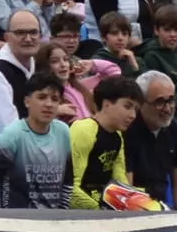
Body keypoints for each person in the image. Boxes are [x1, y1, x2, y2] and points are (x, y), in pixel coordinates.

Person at [64, 74, 158, 209]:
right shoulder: (84, 129)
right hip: (80, 214)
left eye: (136, 110)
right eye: (127, 106)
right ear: (107, 105)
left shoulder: (118, 136)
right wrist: (102, 211)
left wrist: (145, 199)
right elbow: (71, 190)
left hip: (103, 206)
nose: (132, 115)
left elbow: (120, 184)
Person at [0, 75, 74, 209]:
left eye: (55, 99)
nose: (48, 104)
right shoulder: (12, 135)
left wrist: (61, 215)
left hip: (53, 221)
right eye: (42, 97)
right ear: (27, 102)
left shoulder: (63, 131)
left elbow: (67, 181)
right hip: (17, 220)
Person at [0, 9, 44, 169]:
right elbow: (8, 137)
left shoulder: (37, 69)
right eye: (20, 33)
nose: (28, 38)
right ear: (6, 38)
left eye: (33, 32)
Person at [123, 69, 177, 210]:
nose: (168, 109)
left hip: (161, 208)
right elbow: (127, 189)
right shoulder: (128, 131)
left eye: (171, 100)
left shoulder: (175, 129)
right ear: (140, 103)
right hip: (136, 208)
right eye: (159, 102)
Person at [94, 11, 141, 79]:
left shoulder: (136, 60)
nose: (120, 38)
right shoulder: (97, 61)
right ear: (103, 37)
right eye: (114, 33)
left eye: (124, 34)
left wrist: (135, 67)